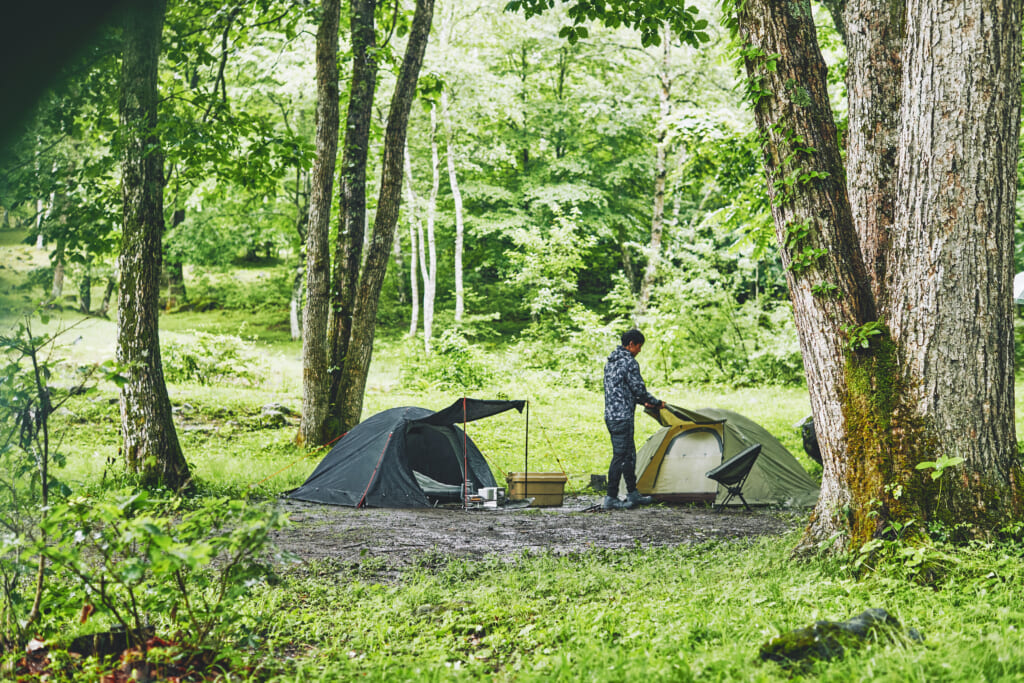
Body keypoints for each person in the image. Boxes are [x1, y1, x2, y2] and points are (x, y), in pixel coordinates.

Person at [602, 329, 665, 510]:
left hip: (612, 415)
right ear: (631, 344)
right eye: (638, 346)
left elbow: (623, 390)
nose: (639, 350)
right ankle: (611, 497)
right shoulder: (629, 362)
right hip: (622, 417)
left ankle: (633, 493)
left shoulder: (611, 362)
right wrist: (656, 402)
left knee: (629, 455)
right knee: (620, 456)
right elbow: (638, 389)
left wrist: (643, 401)